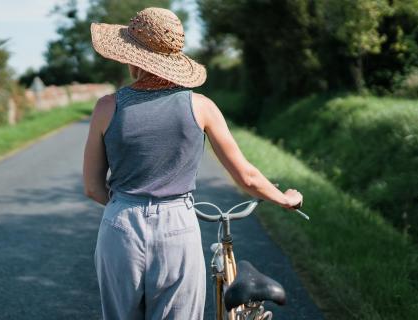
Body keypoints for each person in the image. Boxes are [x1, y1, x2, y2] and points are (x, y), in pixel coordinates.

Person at [82, 7, 303, 320]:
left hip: (121, 227)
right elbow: (247, 177)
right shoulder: (201, 107)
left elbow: (92, 187)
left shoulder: (107, 107)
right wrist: (285, 198)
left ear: (132, 57)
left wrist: (127, 208)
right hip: (177, 226)